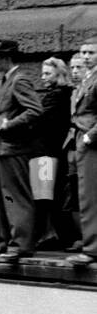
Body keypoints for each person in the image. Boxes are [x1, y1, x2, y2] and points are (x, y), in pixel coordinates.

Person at [0, 39, 43, 258]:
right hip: (2, 147)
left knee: (16, 196)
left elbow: (35, 110)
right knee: (4, 197)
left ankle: (21, 243)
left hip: (14, 147)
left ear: (5, 58)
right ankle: (7, 240)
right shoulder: (7, 80)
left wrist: (9, 124)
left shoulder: (19, 80)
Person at [33, 56, 73, 250]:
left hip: (45, 152)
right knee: (51, 194)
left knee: (44, 195)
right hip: (54, 151)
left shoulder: (54, 96)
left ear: (59, 73)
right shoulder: (66, 93)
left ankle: (50, 234)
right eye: (42, 73)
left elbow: (39, 120)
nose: (43, 77)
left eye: (47, 73)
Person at [70, 41, 97, 265]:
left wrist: (90, 136)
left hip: (91, 142)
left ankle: (92, 249)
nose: (86, 56)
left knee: (90, 197)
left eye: (91, 52)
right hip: (84, 140)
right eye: (83, 52)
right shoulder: (88, 78)